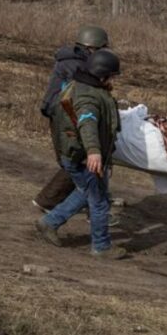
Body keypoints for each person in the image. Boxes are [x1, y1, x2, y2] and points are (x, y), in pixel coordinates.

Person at [35, 49, 127, 260]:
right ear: (102, 74)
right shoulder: (88, 97)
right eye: (111, 76)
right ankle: (101, 247)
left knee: (85, 192)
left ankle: (48, 223)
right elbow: (87, 122)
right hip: (84, 157)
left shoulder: (78, 85)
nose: (113, 79)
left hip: (74, 154)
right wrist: (94, 152)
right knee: (98, 200)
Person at [32, 25, 110, 212]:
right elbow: (80, 94)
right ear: (92, 48)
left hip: (62, 112)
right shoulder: (76, 65)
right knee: (76, 158)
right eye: (100, 50)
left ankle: (88, 200)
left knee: (76, 160)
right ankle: (49, 201)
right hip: (63, 114)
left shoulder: (74, 60)